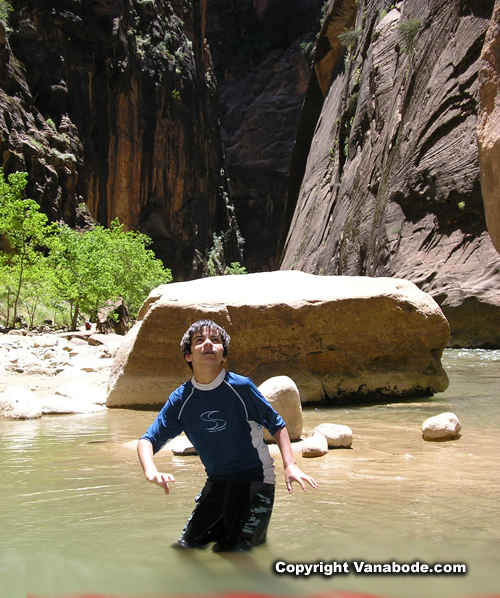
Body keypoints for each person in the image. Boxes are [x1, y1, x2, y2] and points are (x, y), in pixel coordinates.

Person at [137, 318, 318, 553]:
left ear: (224, 355)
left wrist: (290, 465)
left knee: (232, 550)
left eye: (215, 340)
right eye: (199, 340)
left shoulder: (240, 387)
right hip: (218, 482)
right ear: (188, 355)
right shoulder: (181, 400)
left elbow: (277, 424)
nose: (208, 344)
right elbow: (147, 440)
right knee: (185, 547)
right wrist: (151, 471)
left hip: (256, 479)